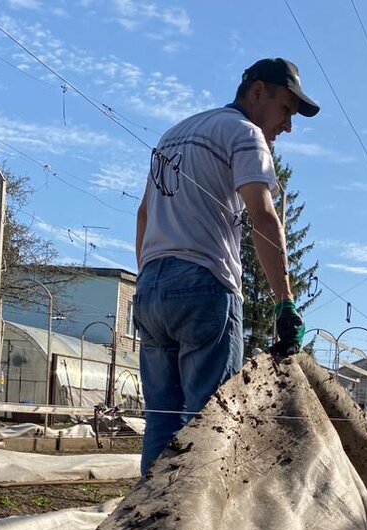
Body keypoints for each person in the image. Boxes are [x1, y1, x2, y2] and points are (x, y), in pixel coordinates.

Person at [133, 57, 320, 476]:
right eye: (286, 109)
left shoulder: (172, 135)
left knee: (162, 418)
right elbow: (263, 216)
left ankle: (148, 527)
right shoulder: (244, 133)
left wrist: (148, 276)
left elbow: (144, 215)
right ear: (257, 92)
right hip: (205, 283)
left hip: (151, 287)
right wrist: (284, 302)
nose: (287, 126)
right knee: (211, 423)